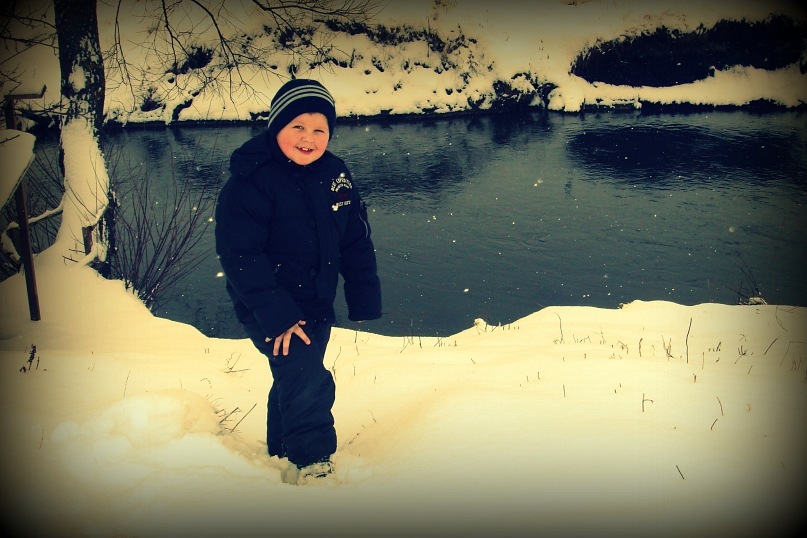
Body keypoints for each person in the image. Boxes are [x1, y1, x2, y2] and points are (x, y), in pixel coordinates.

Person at [214, 79, 382, 485]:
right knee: (307, 377)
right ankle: (313, 462)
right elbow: (240, 255)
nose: (309, 138)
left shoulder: (335, 174)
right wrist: (278, 316)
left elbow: (355, 239)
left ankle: (281, 450)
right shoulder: (252, 180)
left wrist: (363, 296)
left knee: (295, 374)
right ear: (277, 127)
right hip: (266, 304)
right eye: (298, 127)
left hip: (316, 299)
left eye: (319, 129)